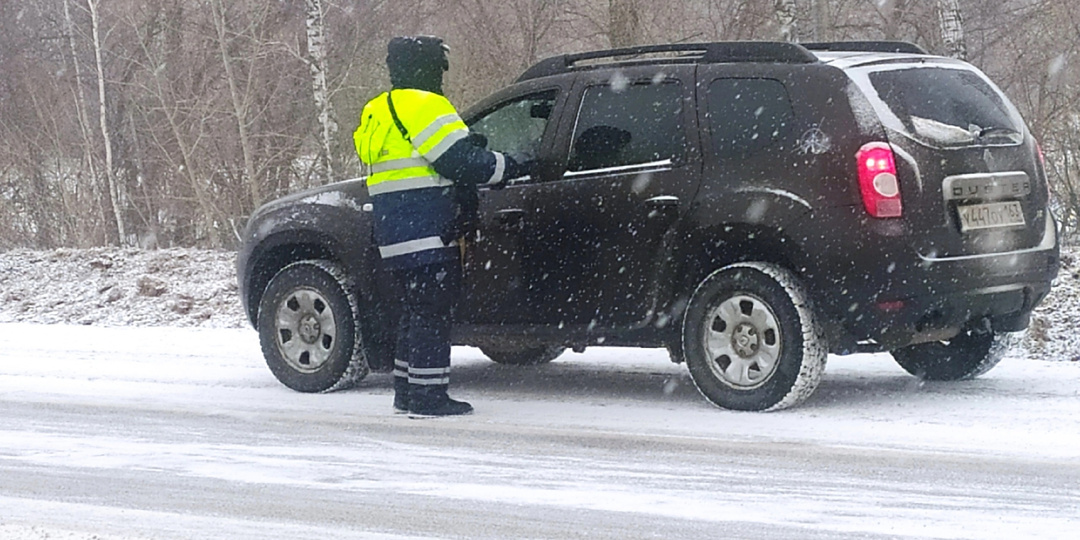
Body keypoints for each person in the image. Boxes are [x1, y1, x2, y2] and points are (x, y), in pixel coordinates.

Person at [353, 36, 527, 417]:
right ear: (429, 68)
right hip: (428, 225)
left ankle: (407, 392)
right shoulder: (426, 104)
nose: (441, 77)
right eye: (438, 68)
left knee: (414, 311)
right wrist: (507, 165)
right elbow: (458, 162)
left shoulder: (379, 109)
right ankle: (429, 397)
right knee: (433, 311)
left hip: (393, 230)